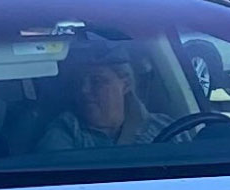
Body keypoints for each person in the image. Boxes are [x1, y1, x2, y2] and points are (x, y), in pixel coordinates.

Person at [37, 46, 178, 150]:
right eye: (78, 81)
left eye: (97, 81)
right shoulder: (66, 131)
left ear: (126, 84)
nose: (84, 90)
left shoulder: (164, 127)